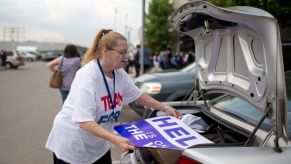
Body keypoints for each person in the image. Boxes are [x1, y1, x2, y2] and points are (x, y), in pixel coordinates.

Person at [45, 29, 182, 164]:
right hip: (73, 146)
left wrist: (165, 108)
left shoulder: (119, 73)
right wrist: (115, 139)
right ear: (105, 51)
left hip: (99, 145)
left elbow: (138, 96)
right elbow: (85, 122)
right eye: (122, 52)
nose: (126, 57)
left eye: (126, 52)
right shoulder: (87, 76)